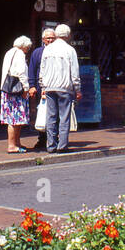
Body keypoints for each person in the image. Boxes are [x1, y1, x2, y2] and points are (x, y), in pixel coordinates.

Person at [39, 23, 81, 154]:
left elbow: (42, 69)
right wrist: (77, 89)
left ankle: (51, 145)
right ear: (68, 35)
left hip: (50, 86)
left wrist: (43, 85)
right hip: (64, 87)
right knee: (64, 117)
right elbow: (74, 73)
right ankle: (62, 146)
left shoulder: (47, 49)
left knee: (51, 116)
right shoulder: (70, 50)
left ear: (57, 35)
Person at [0, 36, 33, 152]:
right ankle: (12, 145)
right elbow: (21, 73)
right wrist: (26, 88)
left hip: (8, 91)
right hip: (16, 91)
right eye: (27, 48)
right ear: (23, 46)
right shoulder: (19, 54)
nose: (27, 50)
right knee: (14, 119)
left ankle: (17, 143)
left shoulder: (9, 52)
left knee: (16, 119)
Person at [27, 26, 56, 151]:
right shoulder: (37, 52)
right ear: (43, 39)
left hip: (56, 87)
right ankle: (42, 139)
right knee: (43, 113)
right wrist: (32, 86)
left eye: (52, 38)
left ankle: (54, 138)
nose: (50, 40)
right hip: (41, 88)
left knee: (56, 114)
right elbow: (32, 70)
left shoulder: (58, 52)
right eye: (48, 38)